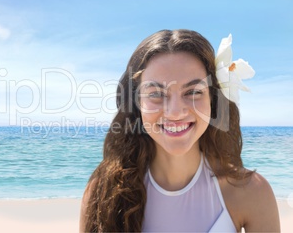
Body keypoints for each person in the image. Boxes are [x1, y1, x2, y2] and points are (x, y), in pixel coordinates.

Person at [79, 29, 280, 232]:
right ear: (137, 103)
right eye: (156, 94)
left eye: (193, 92)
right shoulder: (102, 193)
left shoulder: (251, 192)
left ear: (213, 99)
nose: (175, 112)